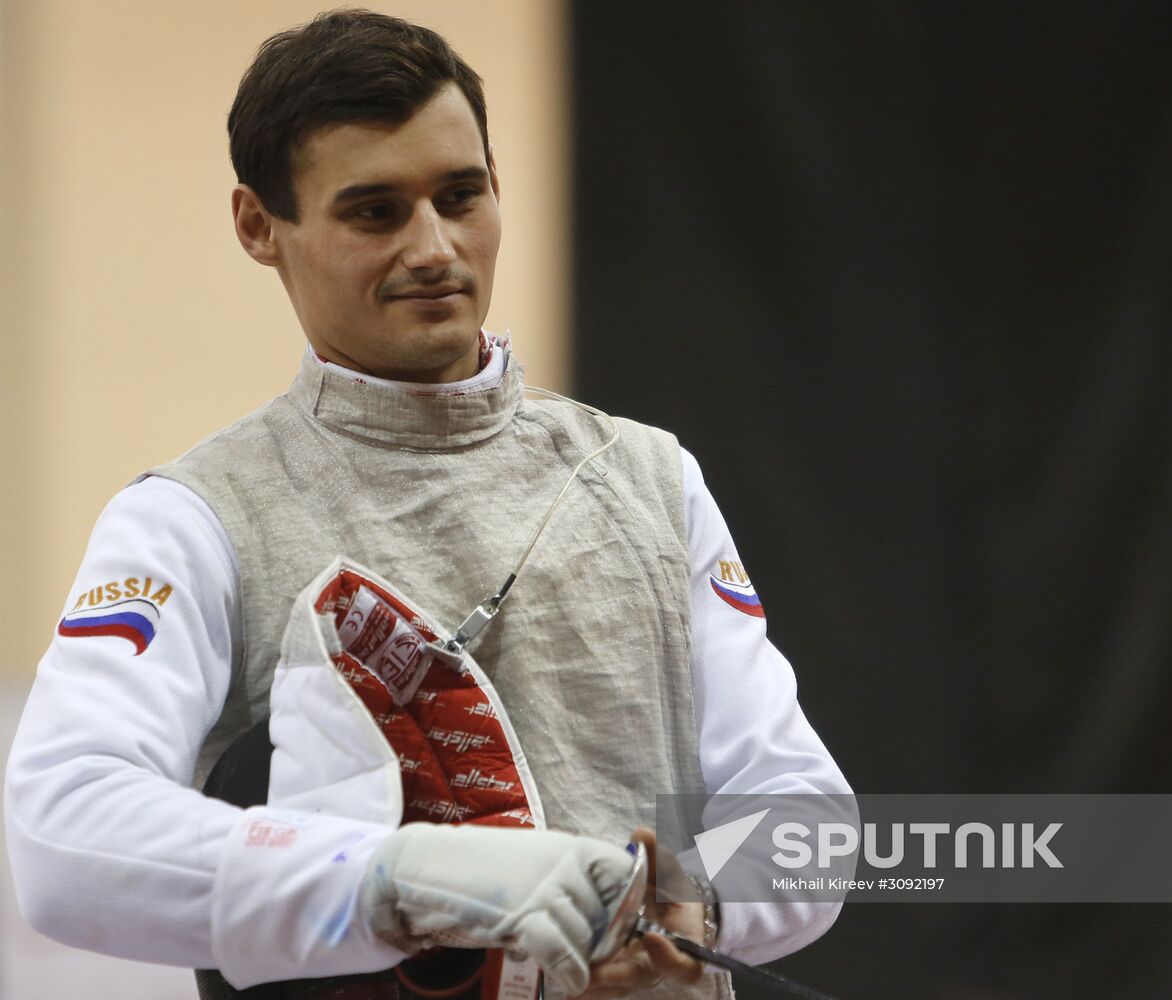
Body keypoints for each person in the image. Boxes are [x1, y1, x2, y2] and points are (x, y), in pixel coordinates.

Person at [4, 10, 850, 999]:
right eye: (375, 212)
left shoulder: (651, 480)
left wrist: (680, 906)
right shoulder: (196, 517)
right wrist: (403, 883)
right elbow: (64, 834)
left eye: (461, 196)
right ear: (257, 226)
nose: (435, 247)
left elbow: (804, 819)